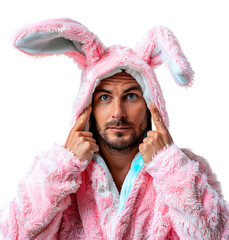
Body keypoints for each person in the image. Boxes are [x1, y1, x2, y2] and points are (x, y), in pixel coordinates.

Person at [1, 18, 229, 239]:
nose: (118, 112)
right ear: (87, 105)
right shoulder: (60, 174)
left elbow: (217, 236)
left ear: (151, 104)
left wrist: (170, 166)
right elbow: (16, 235)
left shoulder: (183, 170)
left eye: (131, 96)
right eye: (105, 97)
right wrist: (64, 164)